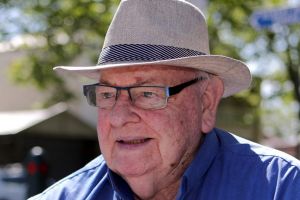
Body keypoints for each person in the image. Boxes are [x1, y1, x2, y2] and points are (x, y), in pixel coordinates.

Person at [30, 0, 300, 199]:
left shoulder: (283, 188)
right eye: (107, 95)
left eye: (147, 93)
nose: (119, 117)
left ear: (206, 102)